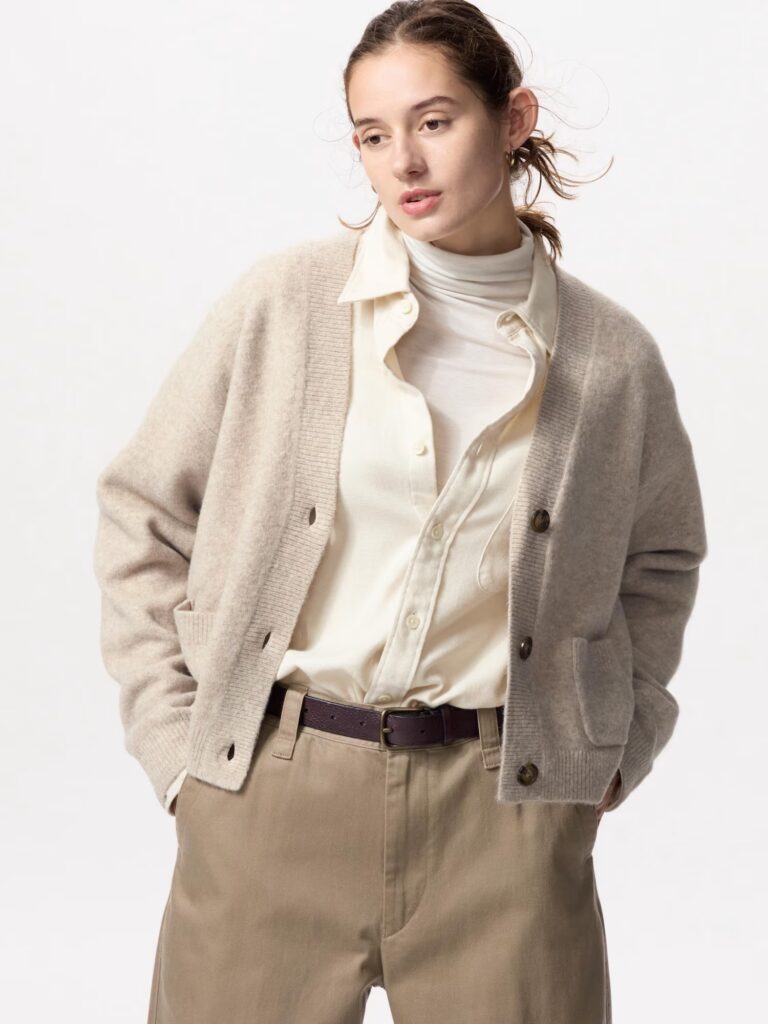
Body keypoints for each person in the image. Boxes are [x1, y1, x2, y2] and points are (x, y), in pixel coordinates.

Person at [93, 2, 707, 1021]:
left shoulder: (609, 358)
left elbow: (661, 557)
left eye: (434, 122)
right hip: (271, 794)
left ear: (513, 119)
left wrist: (615, 742)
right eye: (373, 136)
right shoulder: (286, 305)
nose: (404, 162)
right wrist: (175, 750)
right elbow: (144, 509)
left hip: (505, 816)